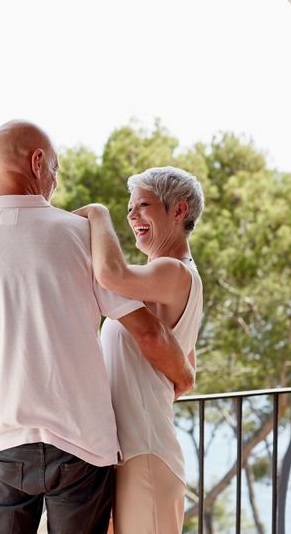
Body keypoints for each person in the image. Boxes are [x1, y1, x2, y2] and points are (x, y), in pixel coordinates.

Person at [0, 120, 195, 534]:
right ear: (37, 161)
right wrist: (183, 374)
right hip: (82, 448)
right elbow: (149, 333)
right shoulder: (79, 234)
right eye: (55, 167)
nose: (56, 178)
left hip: (1, 445)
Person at [73, 166, 205, 534]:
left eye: (143, 205)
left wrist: (98, 214)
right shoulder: (161, 282)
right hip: (130, 451)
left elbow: (110, 274)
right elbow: (187, 372)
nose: (131, 216)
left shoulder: (173, 271)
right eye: (128, 208)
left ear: (179, 211)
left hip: (144, 455)